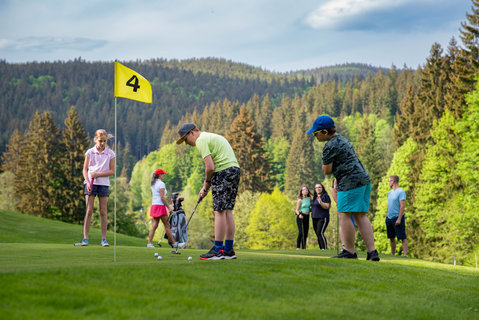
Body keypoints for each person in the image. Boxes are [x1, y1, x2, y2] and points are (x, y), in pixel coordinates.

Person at [307, 115, 380, 261]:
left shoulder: (330, 145)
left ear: (325, 132)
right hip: (363, 180)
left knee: (344, 214)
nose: (315, 136)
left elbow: (326, 170)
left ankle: (349, 251)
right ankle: (372, 253)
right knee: (360, 215)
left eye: (316, 133)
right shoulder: (343, 139)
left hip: (349, 182)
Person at [176, 123, 241, 260]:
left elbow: (210, 167)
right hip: (234, 170)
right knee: (227, 210)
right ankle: (228, 250)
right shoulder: (210, 136)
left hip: (223, 171)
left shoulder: (201, 140)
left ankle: (217, 250)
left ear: (192, 132)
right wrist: (207, 185)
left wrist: (206, 185)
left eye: (185, 139)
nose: (186, 143)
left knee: (219, 211)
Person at [81, 129, 115, 247]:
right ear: (95, 139)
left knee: (103, 211)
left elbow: (112, 171)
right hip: (90, 183)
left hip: (103, 184)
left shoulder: (110, 153)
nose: (102, 143)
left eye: (104, 141)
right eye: (100, 141)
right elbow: (85, 169)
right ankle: (85, 238)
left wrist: (98, 174)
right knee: (89, 211)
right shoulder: (90, 152)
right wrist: (87, 182)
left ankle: (104, 239)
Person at [147, 168, 183, 249]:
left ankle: (149, 243)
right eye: (163, 174)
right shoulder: (161, 184)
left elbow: (161, 197)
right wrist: (169, 207)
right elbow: (162, 197)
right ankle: (174, 244)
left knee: (154, 225)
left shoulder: (153, 183)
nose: (164, 175)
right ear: (160, 175)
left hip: (154, 205)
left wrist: (168, 204)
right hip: (160, 206)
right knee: (167, 225)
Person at [386, 175, 408, 257]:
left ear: (393, 181)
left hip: (397, 217)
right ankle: (392, 254)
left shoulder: (401, 192)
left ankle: (405, 255)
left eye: (389, 181)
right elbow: (389, 205)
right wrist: (386, 216)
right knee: (391, 237)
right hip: (389, 218)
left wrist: (399, 219)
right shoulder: (390, 193)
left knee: (402, 237)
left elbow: (402, 206)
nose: (388, 182)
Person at [311, 183, 331, 250]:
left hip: (323, 217)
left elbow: (327, 207)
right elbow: (313, 207)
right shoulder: (314, 197)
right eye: (316, 187)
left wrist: (321, 202)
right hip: (314, 218)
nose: (318, 189)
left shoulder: (325, 196)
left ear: (322, 188)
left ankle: (324, 249)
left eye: (319, 187)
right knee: (317, 234)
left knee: (320, 233)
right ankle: (321, 249)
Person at [295, 185, 312, 250]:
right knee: (301, 232)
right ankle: (298, 247)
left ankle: (303, 247)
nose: (305, 191)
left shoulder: (309, 199)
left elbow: (310, 207)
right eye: (303, 190)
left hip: (307, 216)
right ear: (301, 192)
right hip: (301, 216)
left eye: (306, 190)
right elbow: (296, 210)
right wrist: (299, 214)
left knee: (306, 232)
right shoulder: (300, 200)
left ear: (308, 191)